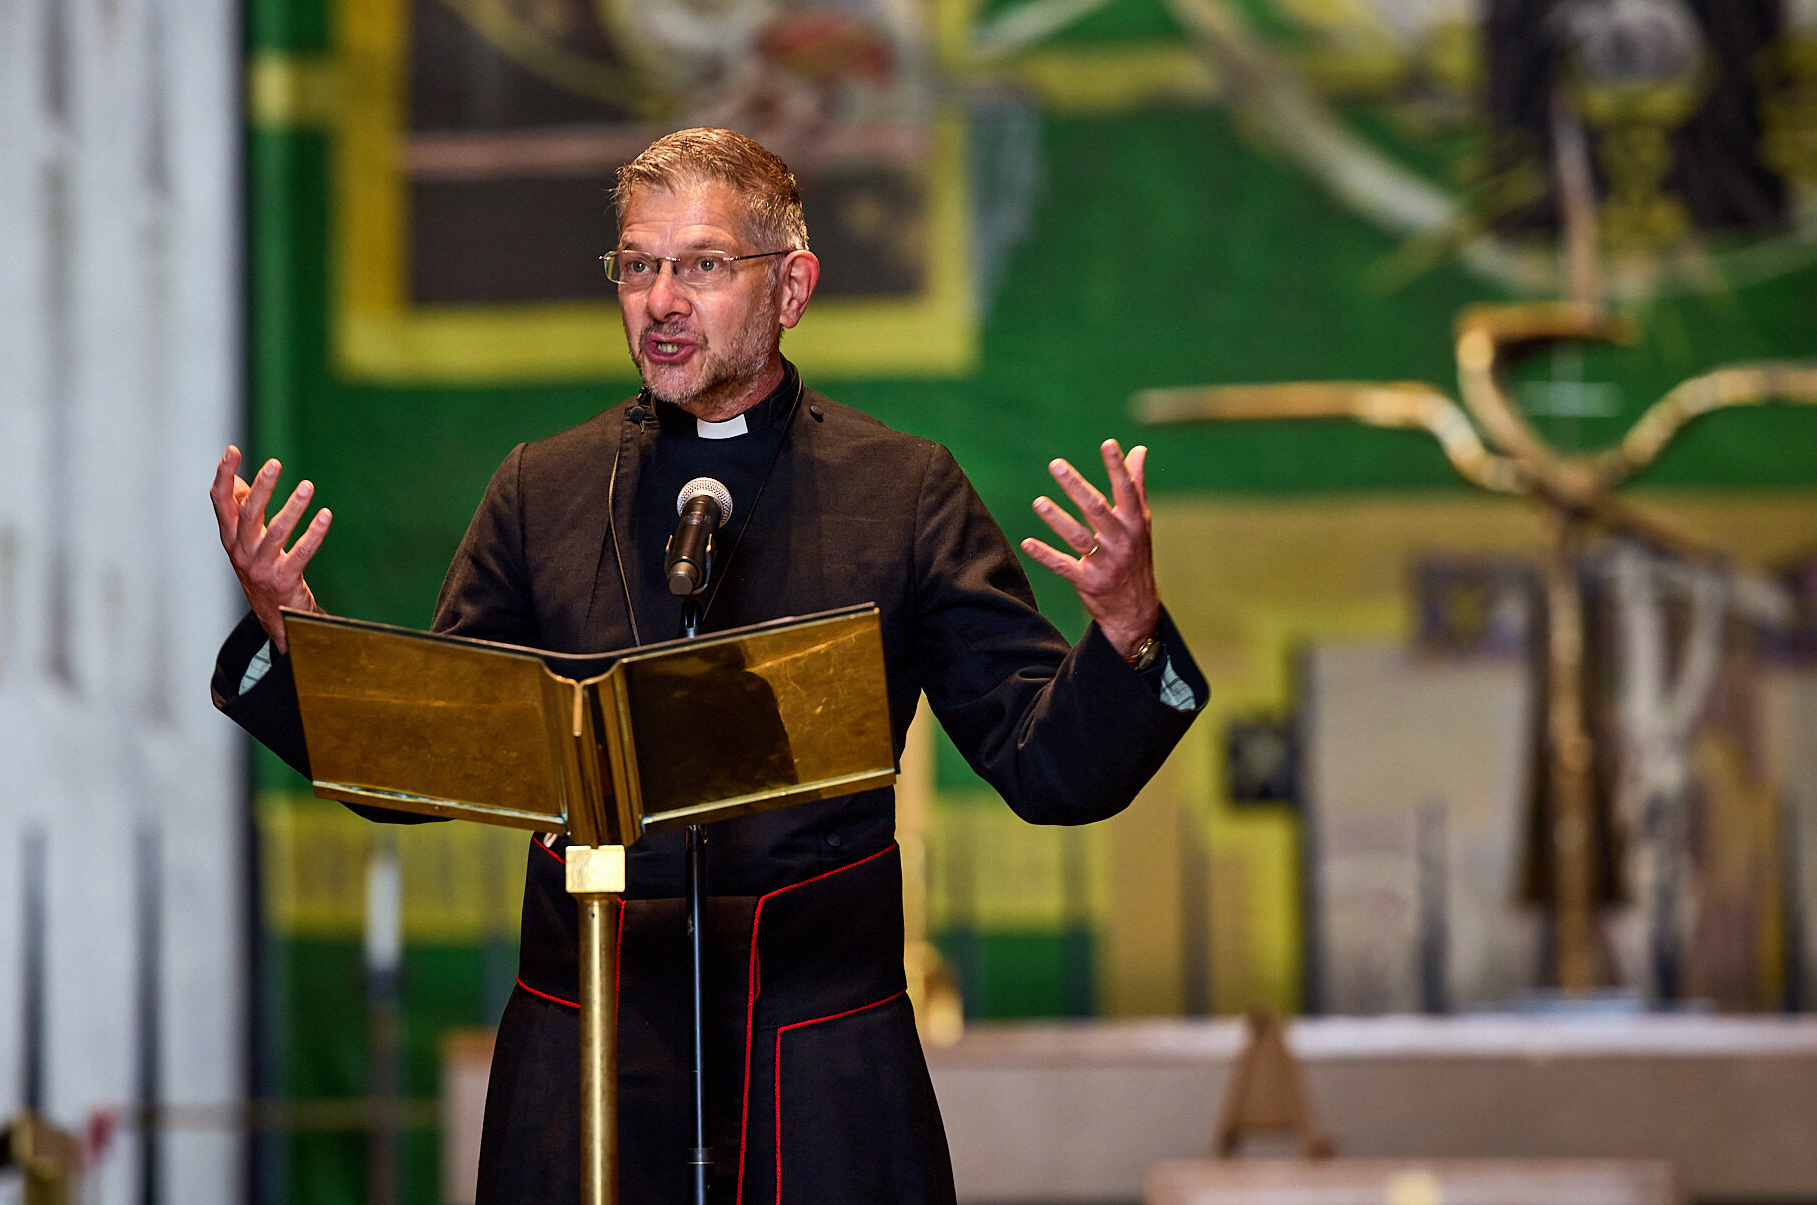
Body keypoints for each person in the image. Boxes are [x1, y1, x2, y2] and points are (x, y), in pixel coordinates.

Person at [208, 128, 1208, 1204]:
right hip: (589, 1041)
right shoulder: (542, 490)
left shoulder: (902, 492)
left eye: (701, 264)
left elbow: (1047, 767)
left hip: (815, 1054)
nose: (660, 299)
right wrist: (294, 632)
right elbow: (436, 754)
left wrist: (1126, 630)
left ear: (791, 287)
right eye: (637, 265)